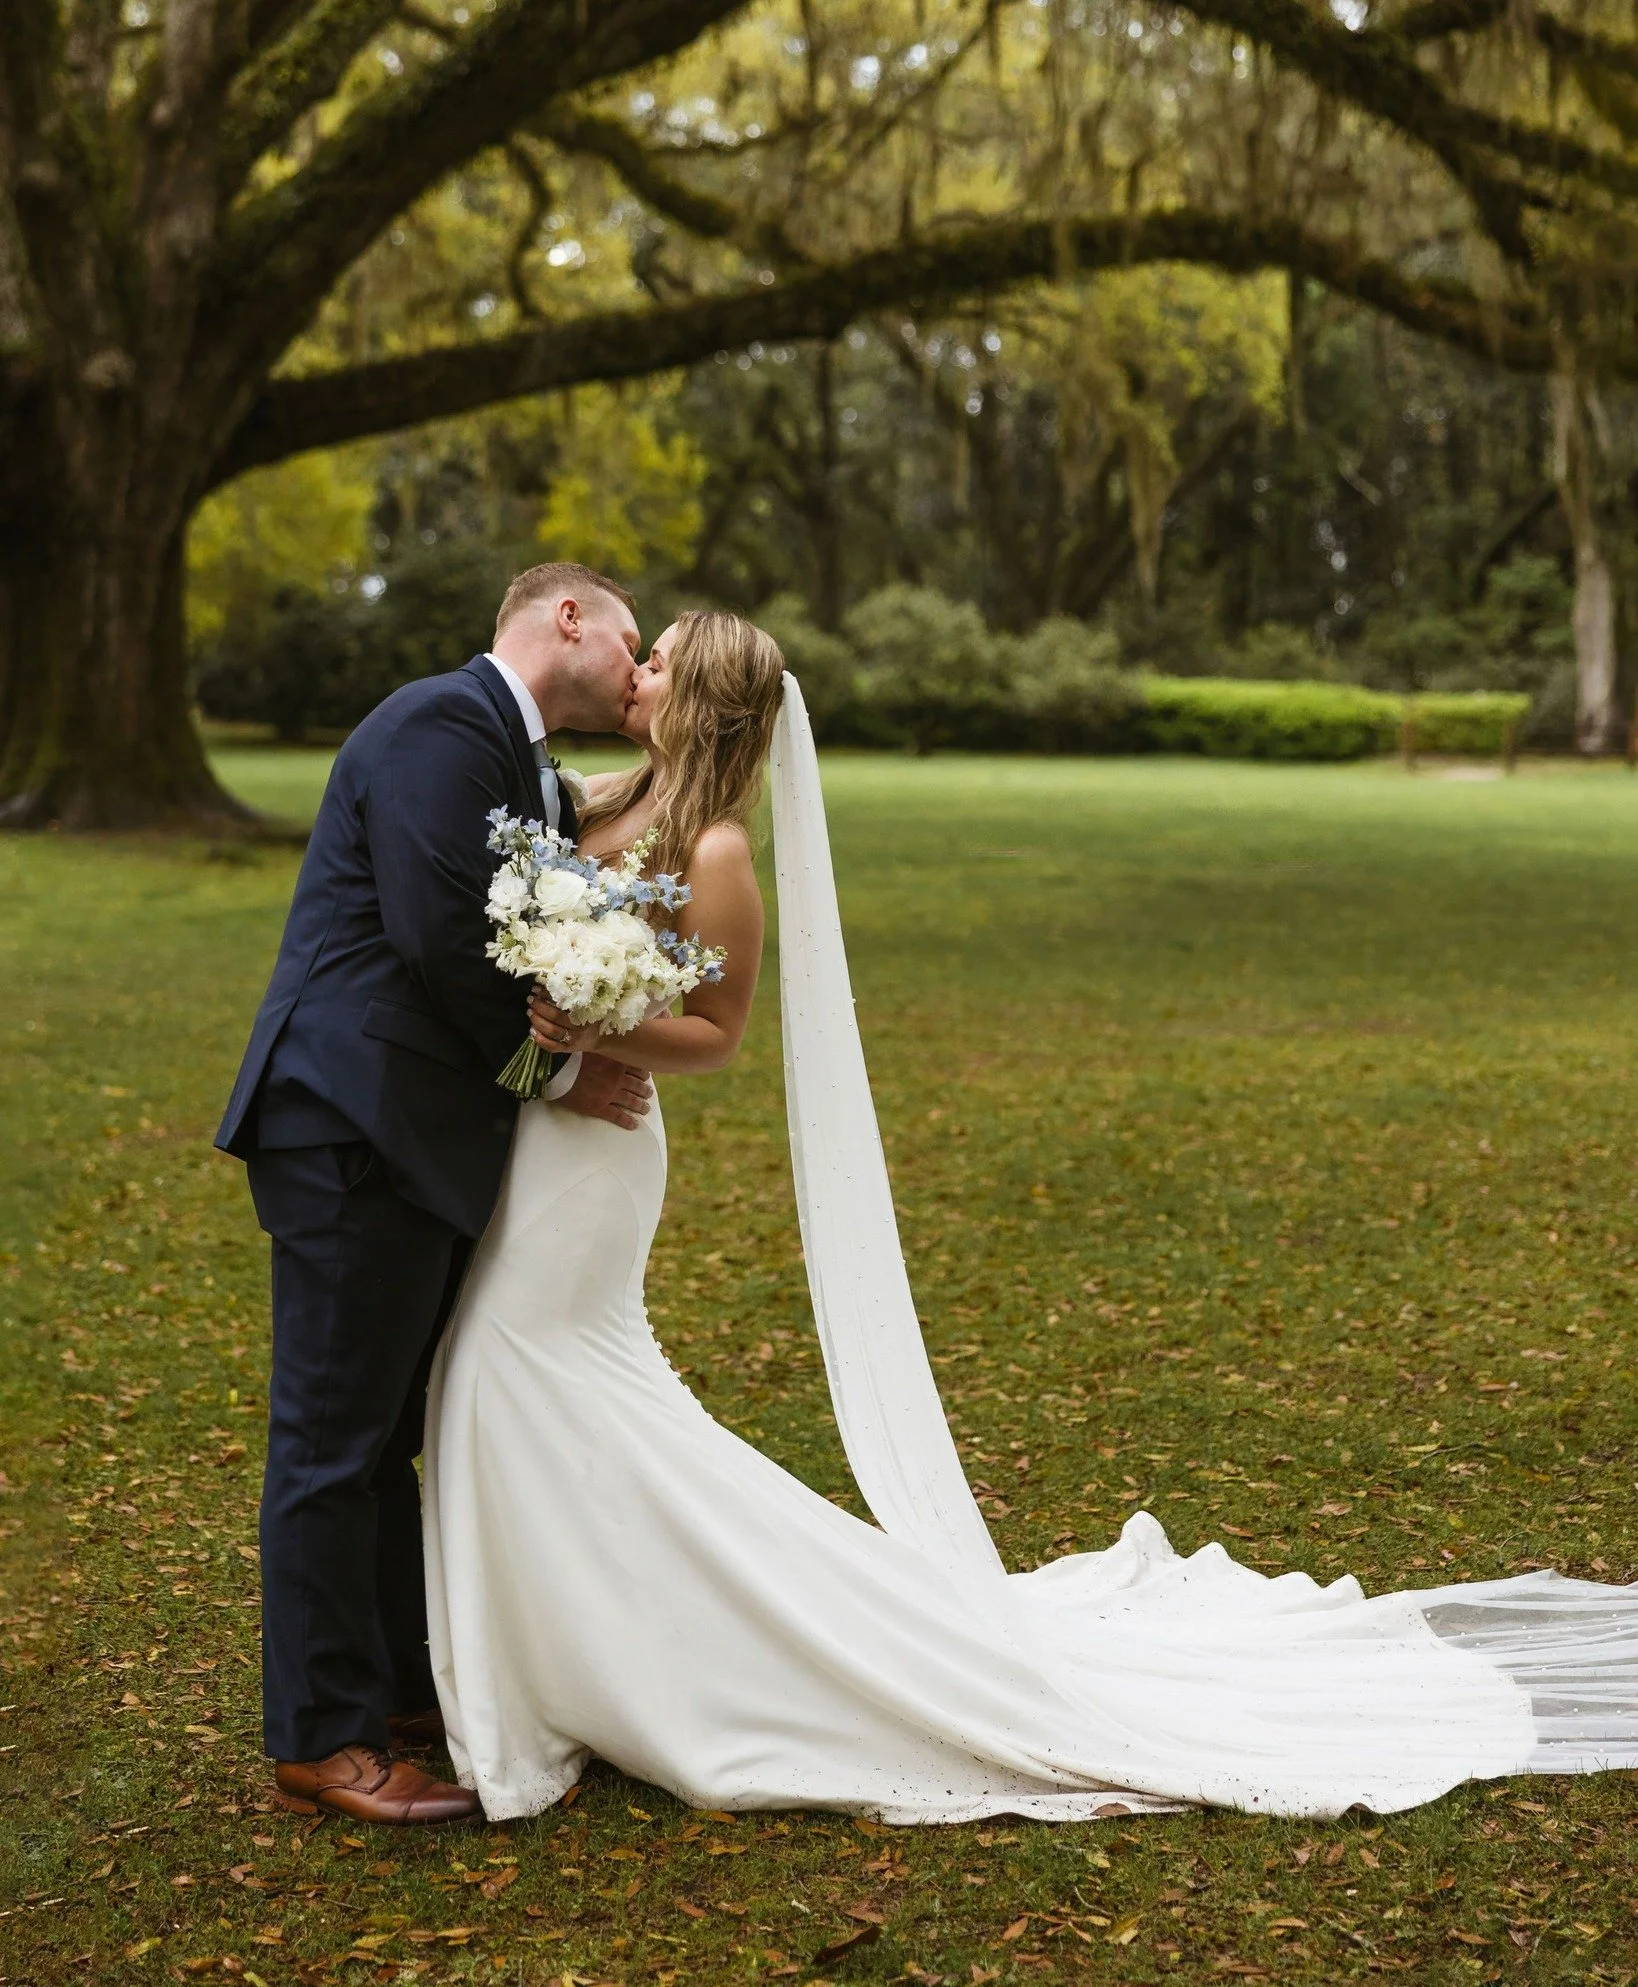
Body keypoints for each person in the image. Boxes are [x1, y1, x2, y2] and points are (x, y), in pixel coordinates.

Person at [424, 612, 1638, 1825]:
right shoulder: (589, 798)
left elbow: (717, 1035)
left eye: (661, 662)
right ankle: (572, 1640)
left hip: (601, 1156)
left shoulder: (722, 852)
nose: (635, 672)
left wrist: (595, 1030)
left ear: (701, 703)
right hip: (544, 1131)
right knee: (517, 1376)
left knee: (519, 1364)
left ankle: (644, 1651)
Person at [217, 563, 655, 1825]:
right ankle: (321, 1739)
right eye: (629, 640)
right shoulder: (438, 724)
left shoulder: (514, 761)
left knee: (382, 1428)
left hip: (410, 1129)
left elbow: (579, 846)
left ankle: (400, 1683)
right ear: (564, 615)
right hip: (351, 1120)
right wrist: (556, 1070)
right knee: (332, 1436)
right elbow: (438, 933)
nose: (634, 667)